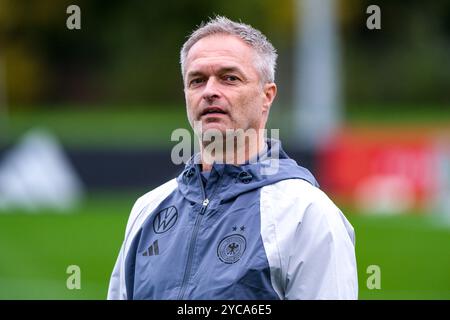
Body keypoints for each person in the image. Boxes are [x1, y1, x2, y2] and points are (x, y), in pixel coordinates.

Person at [107, 16, 358, 300]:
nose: (210, 91)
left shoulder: (307, 214)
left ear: (267, 96)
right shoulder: (147, 210)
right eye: (197, 80)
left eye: (229, 78)